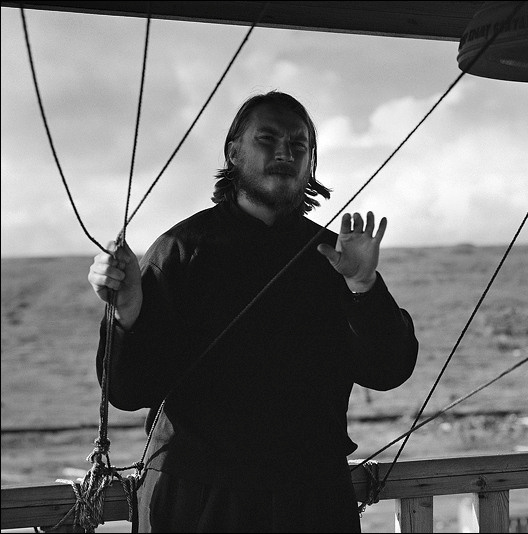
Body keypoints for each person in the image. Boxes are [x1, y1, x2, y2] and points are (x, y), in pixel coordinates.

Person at [87, 91, 419, 533]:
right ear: (233, 152)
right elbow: (129, 392)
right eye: (268, 138)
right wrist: (126, 310)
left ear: (311, 163)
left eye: (299, 145)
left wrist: (364, 287)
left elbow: (388, 369)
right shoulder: (181, 251)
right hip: (198, 496)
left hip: (312, 496)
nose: (285, 152)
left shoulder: (333, 258)